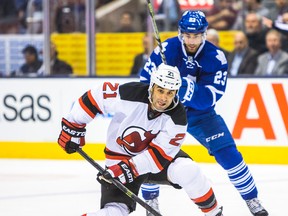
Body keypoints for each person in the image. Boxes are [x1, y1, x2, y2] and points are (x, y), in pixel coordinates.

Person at [140, 10, 269, 216]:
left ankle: (252, 199)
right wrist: (160, 88)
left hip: (200, 114)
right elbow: (144, 82)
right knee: (147, 151)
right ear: (181, 33)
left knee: (229, 155)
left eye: (197, 35)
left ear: (205, 34)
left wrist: (180, 86)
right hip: (165, 111)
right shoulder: (166, 49)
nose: (192, 40)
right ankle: (151, 202)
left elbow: (209, 98)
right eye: (188, 35)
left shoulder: (216, 57)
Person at [57, 63, 224, 216]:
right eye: (160, 90)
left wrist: (127, 169)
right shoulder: (130, 94)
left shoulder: (178, 118)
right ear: (152, 87)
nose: (164, 98)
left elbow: (158, 156)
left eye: (169, 93)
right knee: (114, 212)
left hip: (156, 164)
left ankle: (214, 213)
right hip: (119, 159)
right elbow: (95, 97)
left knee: (188, 170)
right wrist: (73, 126)